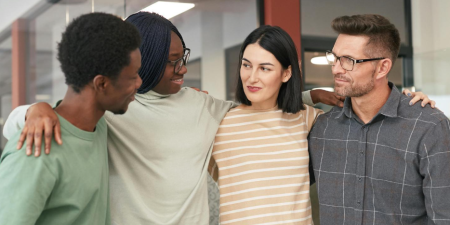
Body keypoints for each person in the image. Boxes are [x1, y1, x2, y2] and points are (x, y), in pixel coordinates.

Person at [2, 12, 433, 224]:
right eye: (171, 63)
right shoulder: (116, 109)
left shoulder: (214, 111)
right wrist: (31, 111)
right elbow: (66, 119)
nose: (183, 69)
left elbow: (268, 111)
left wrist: (391, 96)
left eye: (183, 57)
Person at [0, 12, 142, 225]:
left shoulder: (97, 126)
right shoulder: (35, 151)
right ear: (101, 84)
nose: (139, 83)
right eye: (133, 77)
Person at [308, 14, 450, 225]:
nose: (336, 68)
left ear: (382, 68)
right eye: (335, 57)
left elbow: (444, 217)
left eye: (349, 60)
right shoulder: (322, 128)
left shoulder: (429, 127)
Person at [209, 25, 322, 224]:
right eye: (246, 65)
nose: (252, 77)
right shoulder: (219, 124)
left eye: (264, 68)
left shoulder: (306, 118)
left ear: (287, 73)